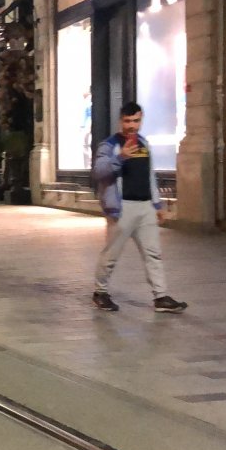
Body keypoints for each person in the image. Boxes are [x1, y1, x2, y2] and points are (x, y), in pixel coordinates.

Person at [92, 102, 187, 313]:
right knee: (112, 254)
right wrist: (121, 157)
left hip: (145, 208)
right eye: (127, 121)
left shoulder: (144, 144)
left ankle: (161, 296)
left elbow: (149, 176)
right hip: (122, 208)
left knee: (153, 253)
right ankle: (100, 292)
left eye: (135, 121)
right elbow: (99, 171)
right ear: (120, 121)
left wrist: (157, 203)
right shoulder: (109, 145)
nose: (131, 126)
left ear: (141, 120)